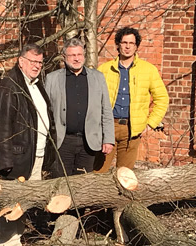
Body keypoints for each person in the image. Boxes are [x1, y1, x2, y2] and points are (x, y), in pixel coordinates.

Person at [0, 43, 56, 246]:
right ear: (21, 61)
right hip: (16, 158)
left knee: (24, 202)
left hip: (35, 155)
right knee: (11, 201)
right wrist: (5, 162)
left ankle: (17, 240)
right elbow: (1, 126)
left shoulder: (36, 84)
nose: (37, 66)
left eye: (40, 62)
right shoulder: (9, 85)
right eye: (33, 61)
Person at [94, 27, 169, 172]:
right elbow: (93, 99)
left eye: (131, 43)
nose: (127, 46)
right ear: (118, 45)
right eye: (124, 42)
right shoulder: (104, 69)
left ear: (136, 46)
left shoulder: (148, 70)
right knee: (98, 172)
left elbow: (162, 98)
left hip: (132, 130)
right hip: (108, 127)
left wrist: (150, 124)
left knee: (125, 175)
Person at [45, 38, 114, 177]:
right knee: (61, 182)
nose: (76, 59)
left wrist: (108, 138)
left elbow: (106, 109)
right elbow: (45, 111)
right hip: (62, 140)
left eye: (79, 55)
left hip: (88, 141)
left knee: (83, 185)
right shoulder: (52, 79)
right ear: (64, 57)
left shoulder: (97, 78)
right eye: (72, 55)